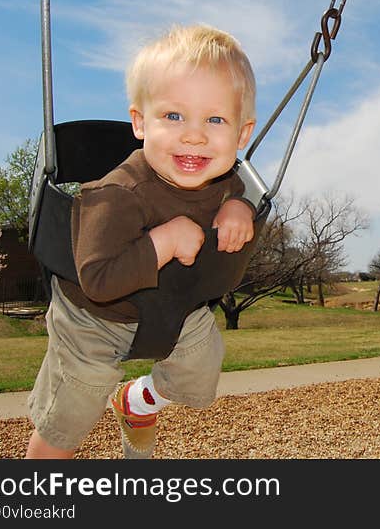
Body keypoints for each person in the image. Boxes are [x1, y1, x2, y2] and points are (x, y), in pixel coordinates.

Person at [25, 24, 257, 459]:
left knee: (200, 374)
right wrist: (163, 242)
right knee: (69, 417)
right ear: (139, 122)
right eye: (174, 116)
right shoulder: (115, 194)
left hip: (175, 306)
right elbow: (97, 278)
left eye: (215, 119)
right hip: (92, 317)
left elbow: (236, 192)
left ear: (242, 136)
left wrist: (238, 209)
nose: (194, 134)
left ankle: (136, 404)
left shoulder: (221, 179)